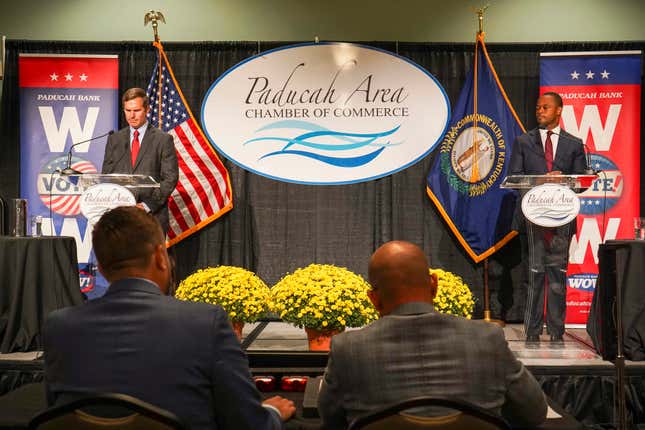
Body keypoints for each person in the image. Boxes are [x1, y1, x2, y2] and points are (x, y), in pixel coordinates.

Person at [43, 206, 295, 430]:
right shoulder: (207, 323)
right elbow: (249, 424)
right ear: (160, 258)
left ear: (102, 265)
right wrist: (271, 413)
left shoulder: (59, 326)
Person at [317, 241, 548, 429]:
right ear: (434, 285)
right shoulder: (488, 337)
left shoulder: (347, 348)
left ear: (374, 300)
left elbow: (331, 421)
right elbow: (534, 413)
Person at [509, 92, 587, 343]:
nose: (539, 111)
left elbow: (582, 183)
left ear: (559, 110)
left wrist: (563, 179)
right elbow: (514, 178)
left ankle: (556, 331)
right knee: (534, 274)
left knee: (557, 275)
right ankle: (531, 333)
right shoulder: (523, 141)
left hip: (561, 219)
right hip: (533, 219)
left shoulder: (574, 144)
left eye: (545, 107)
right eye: (537, 107)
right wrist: (540, 180)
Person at [102, 87, 179, 235]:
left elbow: (170, 178)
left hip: (151, 217)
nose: (132, 115)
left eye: (136, 110)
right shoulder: (114, 139)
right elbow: (107, 175)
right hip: (120, 218)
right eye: (127, 110)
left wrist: (146, 205)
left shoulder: (163, 139)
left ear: (147, 110)